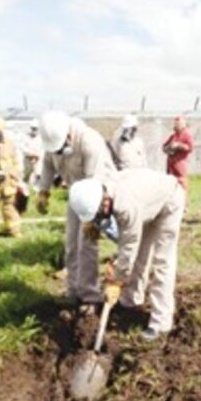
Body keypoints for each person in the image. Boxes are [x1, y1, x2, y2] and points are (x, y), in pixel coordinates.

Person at [68, 169, 186, 341]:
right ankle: (130, 302)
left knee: (162, 261)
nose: (100, 218)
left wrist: (116, 281)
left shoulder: (126, 206)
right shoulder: (96, 190)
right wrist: (92, 224)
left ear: (105, 201)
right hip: (146, 202)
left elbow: (129, 247)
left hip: (169, 201)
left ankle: (161, 323)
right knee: (140, 257)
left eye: (98, 215)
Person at [36, 111, 117, 308]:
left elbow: (95, 182)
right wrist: (43, 191)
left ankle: (90, 293)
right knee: (72, 241)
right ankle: (73, 289)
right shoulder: (54, 142)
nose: (57, 152)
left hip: (98, 193)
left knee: (87, 242)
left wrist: (90, 219)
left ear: (69, 136)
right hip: (76, 193)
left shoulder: (89, 141)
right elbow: (47, 164)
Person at [162, 115, 194, 192]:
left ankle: (183, 202)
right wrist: (169, 148)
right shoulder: (173, 136)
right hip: (170, 167)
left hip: (180, 167)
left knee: (182, 187)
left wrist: (179, 145)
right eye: (175, 124)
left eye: (178, 124)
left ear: (183, 125)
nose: (176, 125)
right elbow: (164, 147)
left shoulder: (187, 135)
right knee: (170, 187)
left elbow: (190, 148)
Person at [21, 120, 43, 187]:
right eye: (33, 128)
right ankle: (24, 187)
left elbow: (42, 150)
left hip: (37, 161)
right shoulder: (25, 137)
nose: (34, 130)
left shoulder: (40, 139)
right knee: (26, 175)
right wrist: (30, 155)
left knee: (37, 174)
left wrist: (36, 157)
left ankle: (35, 188)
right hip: (27, 160)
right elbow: (23, 148)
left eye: (35, 129)